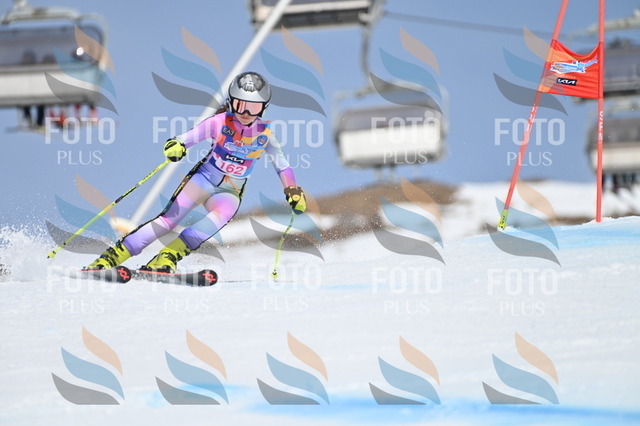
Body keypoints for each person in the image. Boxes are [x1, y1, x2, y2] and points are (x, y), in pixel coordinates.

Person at [85, 71, 307, 272]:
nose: (247, 112)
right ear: (231, 102)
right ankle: (110, 258)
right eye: (241, 105)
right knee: (168, 221)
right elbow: (186, 138)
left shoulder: (266, 135)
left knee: (213, 222)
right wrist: (176, 145)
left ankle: (166, 258)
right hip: (202, 180)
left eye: (254, 107)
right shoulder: (219, 122)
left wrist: (292, 191)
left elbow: (282, 166)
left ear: (264, 108)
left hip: (229, 192)